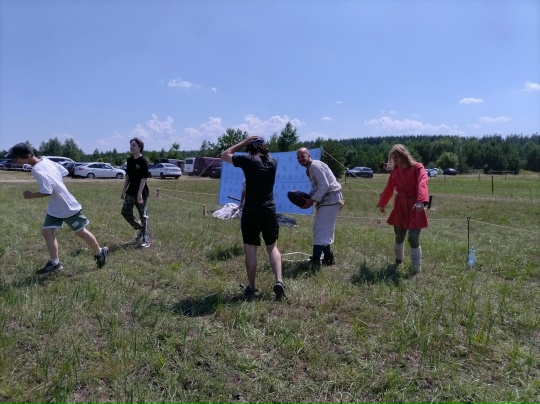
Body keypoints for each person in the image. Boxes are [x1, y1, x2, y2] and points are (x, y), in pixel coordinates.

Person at [6, 142, 109, 274]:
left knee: (80, 232)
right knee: (47, 232)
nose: (15, 160)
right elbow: (63, 171)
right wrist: (56, 183)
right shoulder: (46, 160)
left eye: (16, 158)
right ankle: (55, 263)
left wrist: (30, 195)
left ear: (27, 155)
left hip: (66, 205)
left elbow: (46, 191)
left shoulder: (37, 170)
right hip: (55, 206)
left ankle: (100, 252)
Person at [221, 135, 285, 299]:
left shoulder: (248, 160)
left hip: (252, 211)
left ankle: (251, 287)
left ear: (250, 148)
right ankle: (279, 281)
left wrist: (244, 142)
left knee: (250, 249)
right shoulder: (273, 162)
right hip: (269, 211)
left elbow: (225, 155)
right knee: (272, 248)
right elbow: (267, 155)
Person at [377, 144, 429, 274]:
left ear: (404, 155)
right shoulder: (395, 171)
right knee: (399, 236)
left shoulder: (417, 168)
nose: (395, 161)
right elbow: (389, 187)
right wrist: (382, 203)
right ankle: (398, 260)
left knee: (413, 237)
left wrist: (421, 201)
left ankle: (416, 270)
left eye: (397, 157)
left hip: (415, 206)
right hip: (400, 206)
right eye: (393, 159)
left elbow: (423, 182)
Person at [296, 147, 344, 267]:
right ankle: (328, 259)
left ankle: (315, 262)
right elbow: (317, 187)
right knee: (324, 231)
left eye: (303, 156)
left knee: (320, 230)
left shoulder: (314, 166)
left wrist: (311, 201)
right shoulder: (310, 168)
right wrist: (307, 197)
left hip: (331, 199)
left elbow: (324, 185)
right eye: (298, 157)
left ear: (309, 155)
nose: (300, 159)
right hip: (329, 200)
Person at [120, 137, 150, 247]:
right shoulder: (130, 160)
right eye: (131, 145)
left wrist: (140, 193)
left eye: (134, 145)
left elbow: (144, 178)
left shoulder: (143, 160)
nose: (131, 147)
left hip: (141, 192)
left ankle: (146, 240)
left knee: (143, 215)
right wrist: (123, 190)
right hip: (130, 191)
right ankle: (141, 228)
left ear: (140, 147)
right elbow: (128, 176)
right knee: (125, 211)